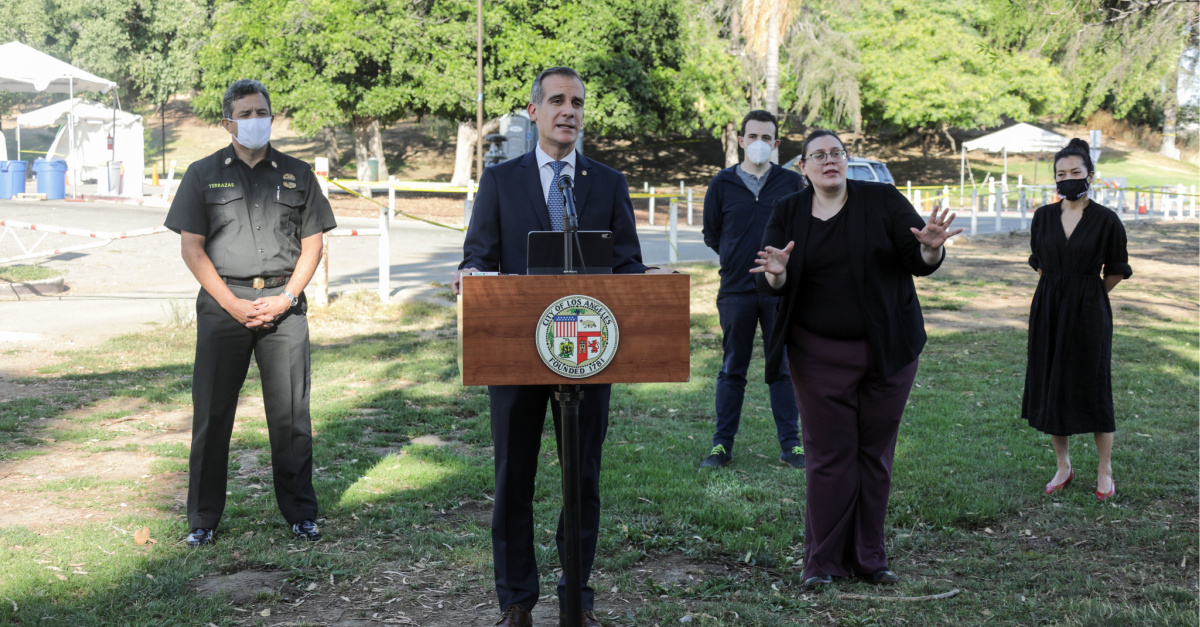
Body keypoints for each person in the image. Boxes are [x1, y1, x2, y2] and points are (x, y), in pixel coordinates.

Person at [452, 67, 669, 627]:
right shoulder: (501, 181)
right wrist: (470, 275)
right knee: (513, 477)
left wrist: (644, 283)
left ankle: (578, 596)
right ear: (534, 111)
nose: (568, 110)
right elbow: (478, 256)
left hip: (590, 349)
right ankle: (516, 601)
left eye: (576, 102)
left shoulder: (607, 182)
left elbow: (627, 264)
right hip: (516, 349)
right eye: (556, 101)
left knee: (583, 478)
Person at [751, 129, 960, 590]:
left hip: (888, 349)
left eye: (836, 154)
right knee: (829, 455)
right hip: (817, 353)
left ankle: (870, 558)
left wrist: (931, 245)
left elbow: (919, 257)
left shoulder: (882, 199)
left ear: (846, 161)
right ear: (802, 168)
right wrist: (778, 274)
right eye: (818, 155)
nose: (830, 161)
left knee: (874, 454)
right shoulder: (788, 211)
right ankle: (822, 562)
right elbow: (767, 279)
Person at [164, 79, 337, 548]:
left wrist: (287, 298)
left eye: (262, 111)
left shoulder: (298, 173)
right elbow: (191, 247)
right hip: (225, 307)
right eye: (246, 113)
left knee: (291, 416)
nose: (255, 119)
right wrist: (231, 302)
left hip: (284, 306)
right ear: (228, 122)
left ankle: (301, 513)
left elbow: (313, 242)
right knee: (213, 415)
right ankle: (202, 519)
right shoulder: (202, 174)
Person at [1023, 138, 1130, 502]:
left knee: (1094, 385)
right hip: (1048, 310)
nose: (1068, 179)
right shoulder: (1042, 217)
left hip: (1089, 311)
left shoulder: (1106, 220)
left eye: (1075, 172)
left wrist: (1088, 294)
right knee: (1054, 383)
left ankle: (1104, 468)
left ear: (1090, 175)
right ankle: (1064, 465)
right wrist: (1057, 292)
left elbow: (1116, 269)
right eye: (1061, 174)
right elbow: (1039, 262)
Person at [700, 110, 805, 470]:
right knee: (732, 368)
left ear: (776, 145)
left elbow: (803, 232)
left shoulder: (791, 184)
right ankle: (721, 446)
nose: (759, 143)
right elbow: (712, 234)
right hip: (735, 290)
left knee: (782, 368)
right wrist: (735, 256)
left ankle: (791, 446)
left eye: (767, 138)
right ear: (741, 141)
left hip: (779, 292)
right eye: (752, 136)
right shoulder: (721, 184)